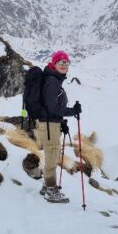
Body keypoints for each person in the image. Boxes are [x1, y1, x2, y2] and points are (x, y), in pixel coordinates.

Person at [35, 50, 81, 204]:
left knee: (52, 156)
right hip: (49, 126)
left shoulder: (53, 79)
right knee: (52, 157)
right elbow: (52, 107)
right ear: (54, 64)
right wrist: (72, 111)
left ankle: (46, 186)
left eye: (67, 62)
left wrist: (61, 122)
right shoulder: (52, 81)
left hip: (51, 124)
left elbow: (51, 108)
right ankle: (50, 190)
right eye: (61, 62)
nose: (64, 65)